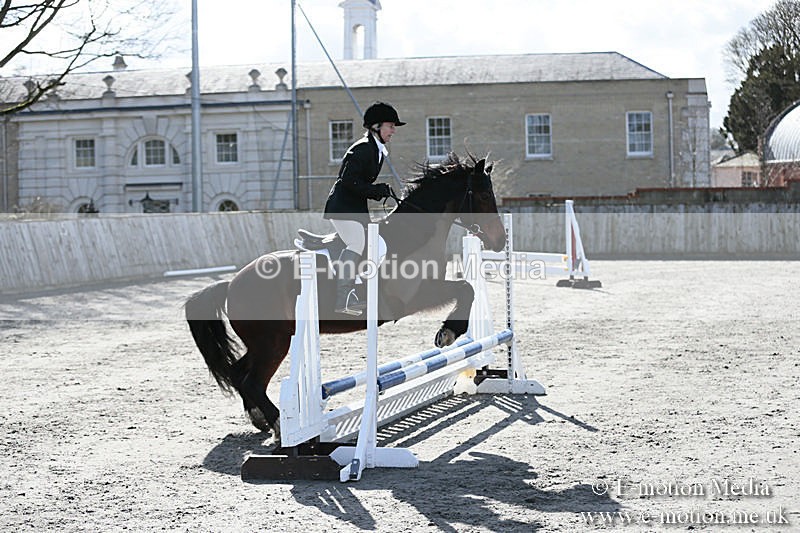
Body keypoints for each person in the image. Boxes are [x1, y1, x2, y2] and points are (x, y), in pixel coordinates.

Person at [323, 101, 405, 316]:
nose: (393, 131)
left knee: (372, 244)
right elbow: (348, 181)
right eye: (390, 126)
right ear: (376, 126)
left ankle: (362, 290)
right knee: (356, 242)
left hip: (355, 208)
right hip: (342, 208)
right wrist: (376, 190)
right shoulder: (361, 149)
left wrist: (377, 190)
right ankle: (343, 298)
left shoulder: (376, 150)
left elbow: (360, 184)